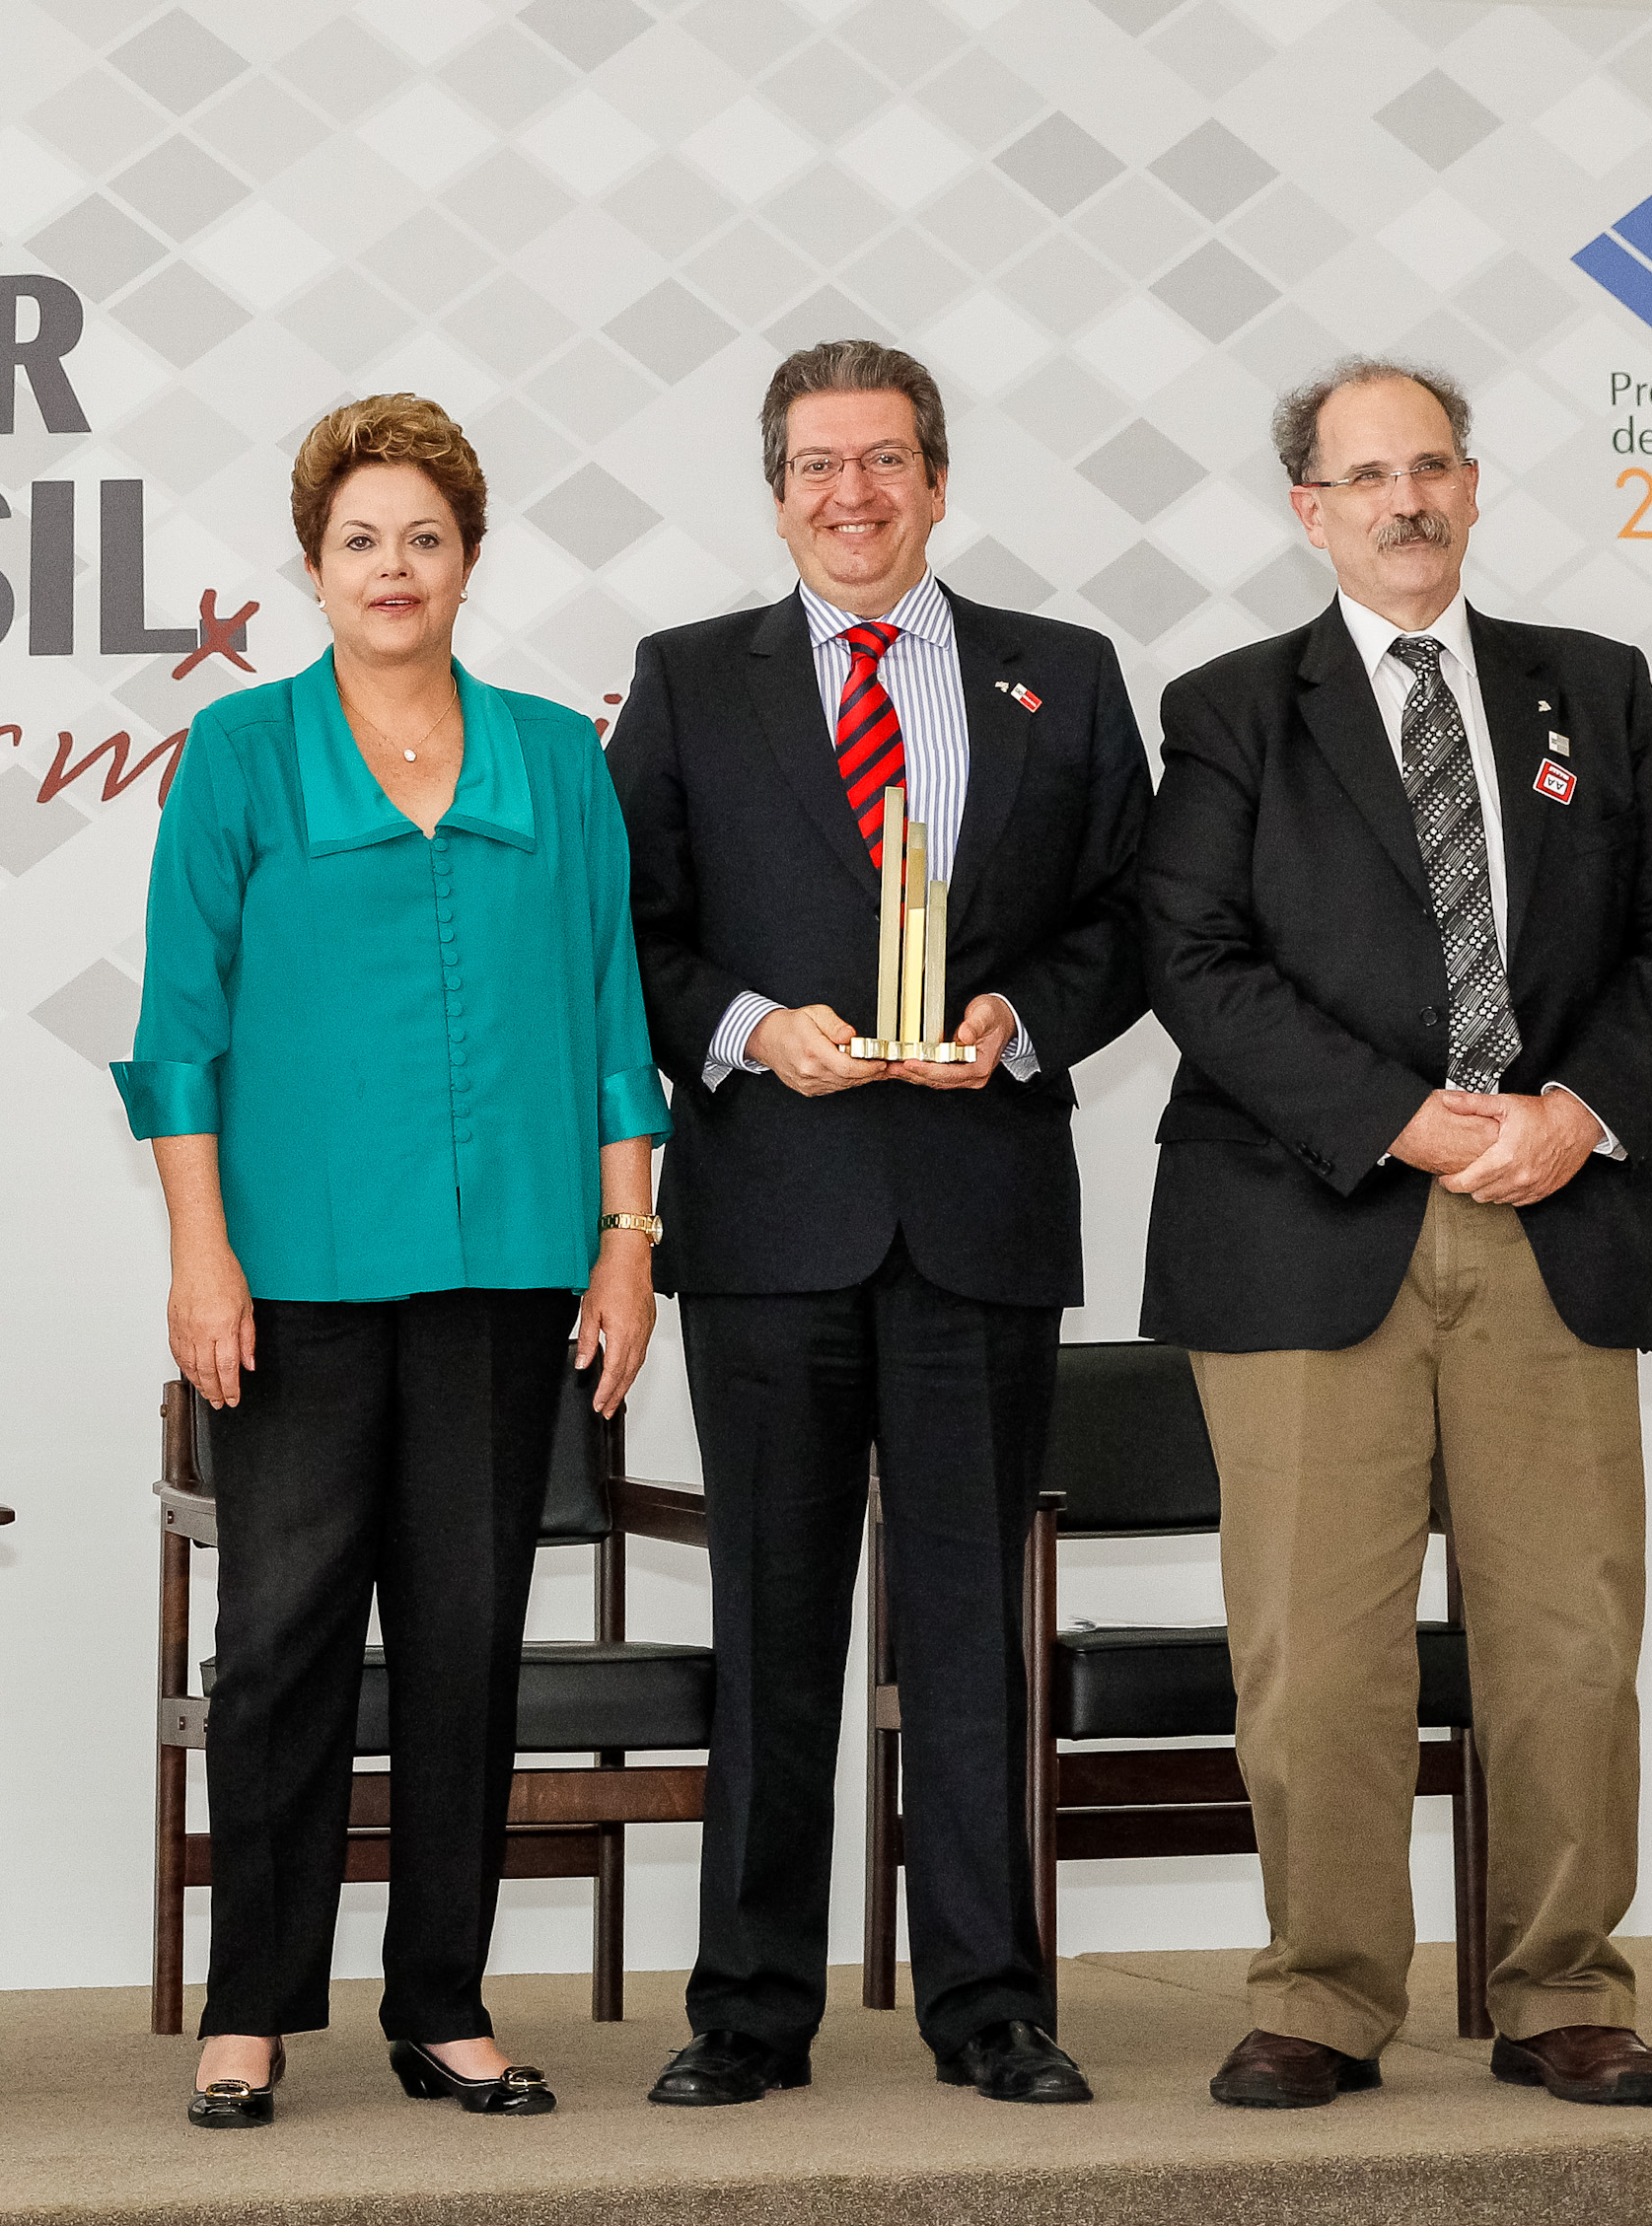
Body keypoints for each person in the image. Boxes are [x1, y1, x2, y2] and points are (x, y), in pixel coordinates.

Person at [1138, 357, 1652, 2111]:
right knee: (1316, 1652)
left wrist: (1573, 1115)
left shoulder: (1593, 691)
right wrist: (1397, 1117)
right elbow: (1194, 958)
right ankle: (1321, 1997)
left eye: (1432, 466)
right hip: (1312, 1220)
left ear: (1472, 488)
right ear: (1306, 509)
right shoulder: (1232, 705)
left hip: (1553, 1217)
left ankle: (1559, 1986)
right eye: (1364, 475)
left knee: (1565, 1641)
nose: (1405, 499)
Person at [114, 394, 673, 2130]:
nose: (394, 567)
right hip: (292, 1277)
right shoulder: (239, 754)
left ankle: (439, 1998)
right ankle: (251, 2007)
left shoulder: (554, 760)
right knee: (278, 1640)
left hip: (512, 1271)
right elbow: (179, 1028)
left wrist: (628, 1237)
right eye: (360, 538)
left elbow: (610, 1021)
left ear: (469, 560)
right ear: (310, 564)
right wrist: (201, 1258)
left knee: (463, 1640)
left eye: (424, 537)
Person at [608, 339, 1150, 2110]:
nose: (853, 493)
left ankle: (989, 2001)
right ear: (774, 490)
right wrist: (752, 1028)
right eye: (818, 464)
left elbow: (1129, 922)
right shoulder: (687, 684)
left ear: (936, 477)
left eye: (887, 459)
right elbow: (632, 935)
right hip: (769, 1220)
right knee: (772, 1629)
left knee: (966, 1634)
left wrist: (1020, 1023)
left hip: (977, 1213)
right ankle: (750, 2008)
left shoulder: (1057, 679)